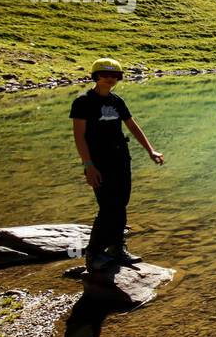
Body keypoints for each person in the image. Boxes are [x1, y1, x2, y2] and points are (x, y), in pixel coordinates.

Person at [70, 58, 164, 271]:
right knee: (107, 207)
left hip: (121, 158)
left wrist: (151, 150)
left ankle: (116, 248)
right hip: (99, 162)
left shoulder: (117, 101)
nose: (110, 79)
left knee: (121, 204)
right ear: (96, 76)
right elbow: (79, 136)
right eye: (105, 74)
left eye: (115, 75)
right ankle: (93, 254)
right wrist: (88, 165)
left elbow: (132, 126)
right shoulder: (83, 102)